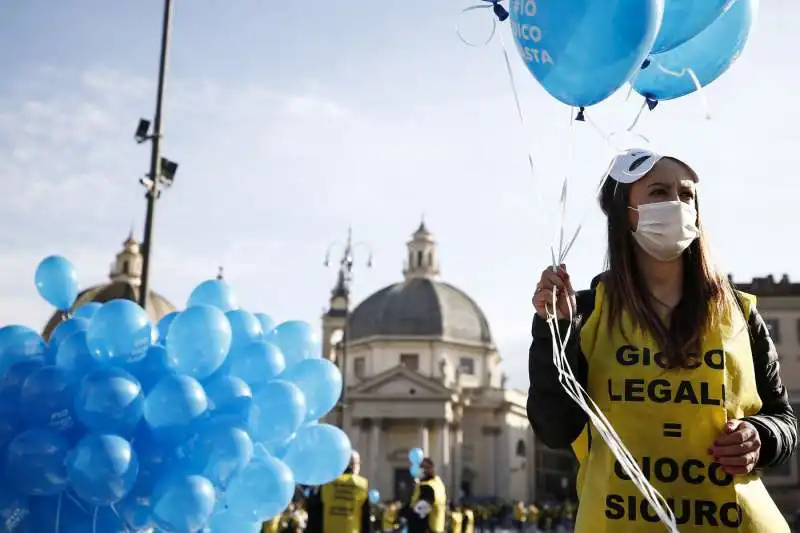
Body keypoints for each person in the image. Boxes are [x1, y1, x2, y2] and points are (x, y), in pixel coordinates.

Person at [528, 148, 797, 532]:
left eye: (687, 195)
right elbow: (555, 428)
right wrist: (553, 329)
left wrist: (762, 437)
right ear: (624, 212)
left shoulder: (740, 311)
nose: (677, 204)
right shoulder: (583, 314)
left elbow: (783, 419)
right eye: (658, 192)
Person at [306, 450, 371, 533]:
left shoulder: (327, 483)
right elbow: (365, 519)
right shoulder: (361, 485)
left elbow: (315, 514)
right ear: (354, 466)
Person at [407, 457, 447, 533]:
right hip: (437, 527)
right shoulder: (438, 483)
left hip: (425, 528)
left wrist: (405, 513)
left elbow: (422, 509)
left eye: (421, 467)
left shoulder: (427, 487)